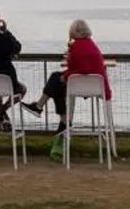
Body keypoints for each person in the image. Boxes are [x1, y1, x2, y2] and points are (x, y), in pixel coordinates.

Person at [47, 19, 112, 162]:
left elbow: (79, 69)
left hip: (80, 86)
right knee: (57, 81)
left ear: (74, 32)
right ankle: (62, 123)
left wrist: (66, 74)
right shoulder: (92, 45)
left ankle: (63, 121)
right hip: (98, 87)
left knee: (55, 81)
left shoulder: (76, 47)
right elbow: (83, 68)